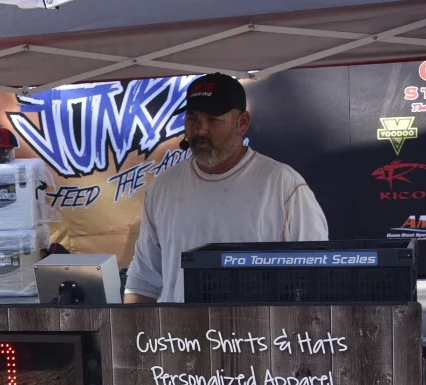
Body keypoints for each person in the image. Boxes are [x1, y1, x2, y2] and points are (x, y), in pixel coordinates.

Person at [124, 73, 328, 303]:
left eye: (213, 120)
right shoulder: (164, 187)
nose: (200, 130)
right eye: (192, 118)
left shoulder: (283, 185)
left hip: (259, 327)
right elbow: (143, 282)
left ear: (242, 123)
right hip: (178, 327)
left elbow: (316, 276)